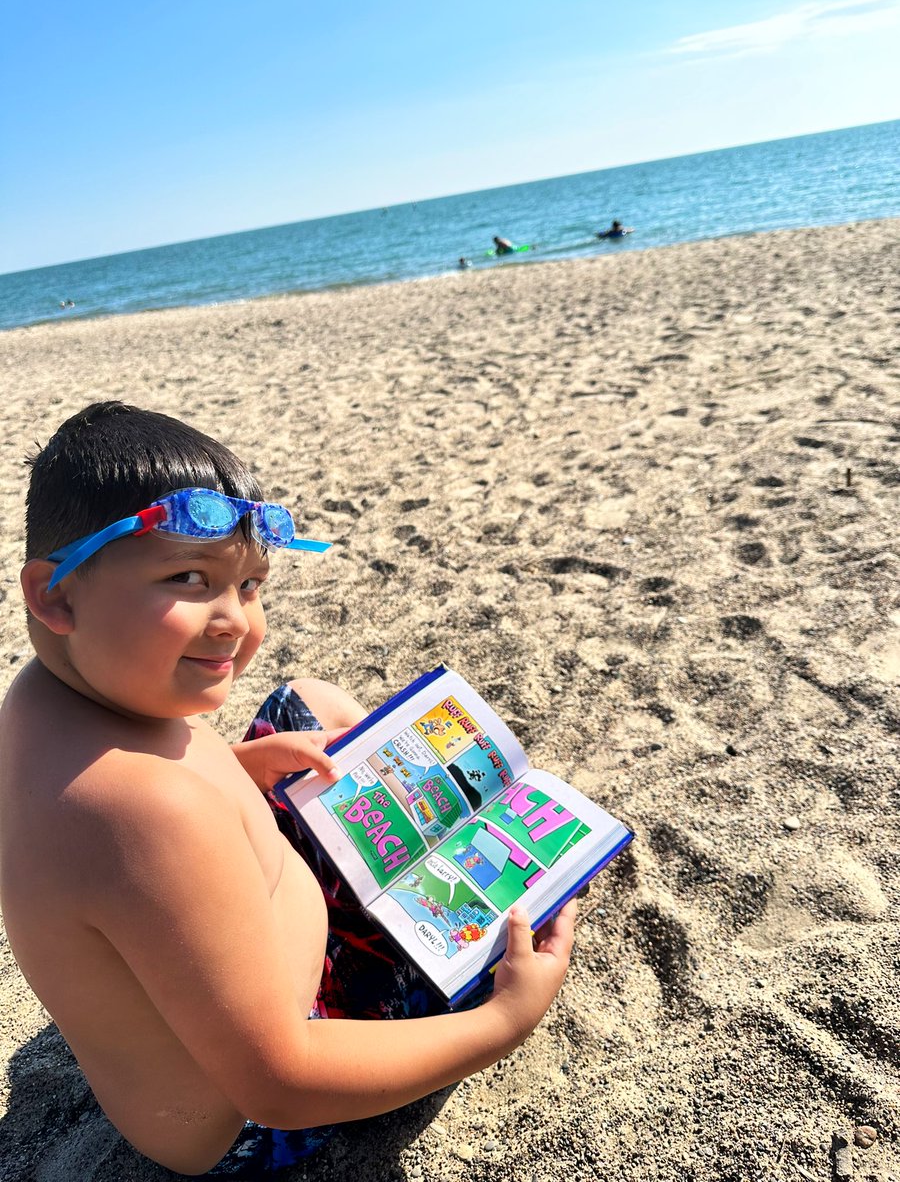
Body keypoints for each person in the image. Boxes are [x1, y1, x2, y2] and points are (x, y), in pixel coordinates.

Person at [0, 401, 576, 1177]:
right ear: (56, 596)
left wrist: (238, 773)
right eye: (189, 579)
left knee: (316, 706)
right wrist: (507, 1022)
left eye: (251, 586)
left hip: (231, 953)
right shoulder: (136, 812)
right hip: (256, 1096)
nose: (234, 621)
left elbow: (141, 841)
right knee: (507, 916)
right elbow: (281, 1082)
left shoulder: (58, 699)